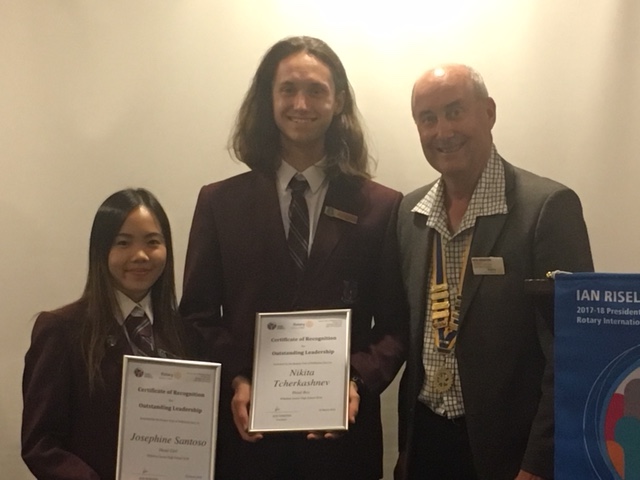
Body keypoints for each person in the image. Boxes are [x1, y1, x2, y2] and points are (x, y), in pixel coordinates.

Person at [180, 35, 408, 480]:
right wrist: (238, 377)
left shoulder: (381, 207)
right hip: (248, 444)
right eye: (288, 89)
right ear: (268, 98)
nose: (301, 103)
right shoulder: (219, 203)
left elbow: (396, 324)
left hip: (342, 445)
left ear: (338, 101)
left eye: (316, 90)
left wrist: (355, 381)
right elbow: (196, 316)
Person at [394, 64, 594, 480]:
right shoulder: (409, 214)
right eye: (427, 118)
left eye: (454, 111)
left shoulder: (547, 209)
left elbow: (572, 349)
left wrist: (539, 463)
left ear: (488, 112)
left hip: (508, 454)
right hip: (426, 442)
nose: (442, 131)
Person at [22, 188, 185, 480]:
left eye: (152, 242)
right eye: (123, 243)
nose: (140, 255)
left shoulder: (187, 334)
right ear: (101, 251)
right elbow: (40, 444)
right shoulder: (61, 331)